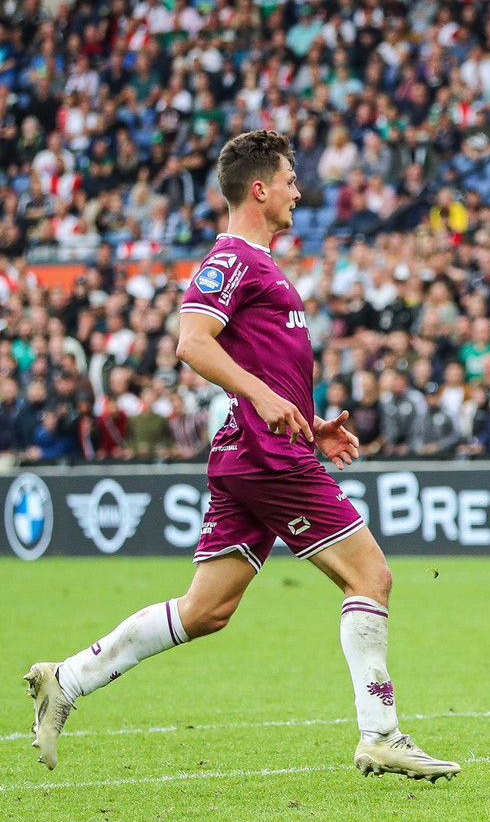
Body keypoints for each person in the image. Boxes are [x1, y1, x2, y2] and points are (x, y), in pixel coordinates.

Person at [24, 131, 460, 782]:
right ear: (259, 189)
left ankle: (67, 679)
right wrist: (264, 399)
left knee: (206, 610)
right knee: (371, 577)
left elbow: (263, 366)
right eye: (289, 181)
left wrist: (311, 423)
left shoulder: (260, 264)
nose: (298, 193)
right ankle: (380, 733)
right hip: (267, 456)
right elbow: (192, 342)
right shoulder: (232, 259)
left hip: (259, 449)